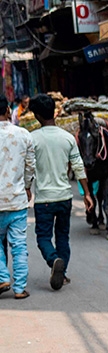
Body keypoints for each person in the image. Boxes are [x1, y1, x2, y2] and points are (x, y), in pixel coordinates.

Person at [30, 93, 93, 291]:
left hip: (44, 199)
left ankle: (54, 259)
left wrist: (25, 187)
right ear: (54, 113)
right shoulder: (67, 138)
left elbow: (29, 168)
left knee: (43, 237)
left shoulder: (32, 139)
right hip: (65, 197)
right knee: (63, 237)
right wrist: (87, 194)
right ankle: (62, 273)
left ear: (37, 116)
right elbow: (78, 166)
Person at [0, 96, 34, 299]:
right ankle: (20, 288)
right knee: (19, 245)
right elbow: (30, 165)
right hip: (17, 200)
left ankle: (3, 276)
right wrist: (28, 186)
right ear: (7, 110)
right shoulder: (23, 134)